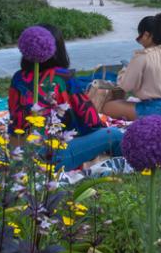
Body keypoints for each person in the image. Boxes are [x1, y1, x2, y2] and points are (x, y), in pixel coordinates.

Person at [8, 24, 123, 170]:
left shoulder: (17, 77)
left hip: (17, 154)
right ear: (58, 50)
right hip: (49, 158)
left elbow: (15, 118)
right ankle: (129, 163)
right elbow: (90, 120)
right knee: (113, 135)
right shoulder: (62, 77)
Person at [92, 14, 161, 120]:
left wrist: (124, 71)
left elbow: (125, 86)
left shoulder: (144, 56)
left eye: (140, 36)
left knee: (108, 107)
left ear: (146, 35)